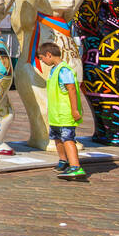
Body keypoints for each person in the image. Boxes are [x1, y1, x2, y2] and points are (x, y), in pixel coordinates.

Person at [37, 41, 86, 178]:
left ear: (49, 54)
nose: (42, 61)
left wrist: (75, 110)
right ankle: (63, 160)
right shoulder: (54, 69)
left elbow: (71, 89)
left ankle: (76, 166)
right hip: (56, 114)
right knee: (57, 138)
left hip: (65, 113)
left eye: (42, 58)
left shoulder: (64, 70)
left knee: (68, 139)